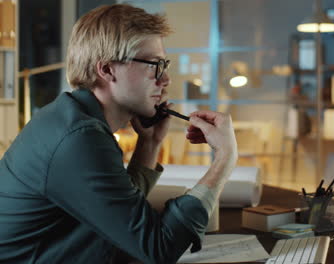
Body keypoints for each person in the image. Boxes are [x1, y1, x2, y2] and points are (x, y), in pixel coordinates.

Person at [0, 4, 238, 264]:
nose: (166, 79)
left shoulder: (71, 117)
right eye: (155, 65)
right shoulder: (80, 138)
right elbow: (158, 247)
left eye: (164, 64)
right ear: (107, 70)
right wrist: (224, 158)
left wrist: (149, 143)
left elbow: (121, 217)